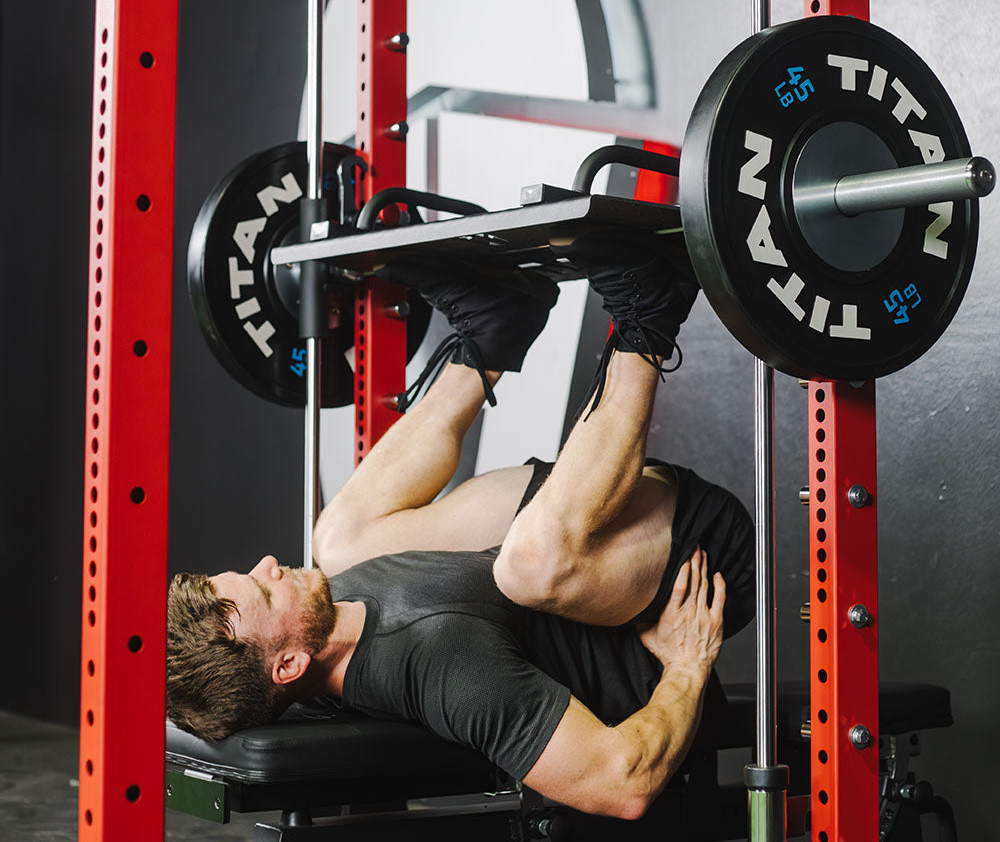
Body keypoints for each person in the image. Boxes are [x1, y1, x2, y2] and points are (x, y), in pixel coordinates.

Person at [166, 233, 755, 821]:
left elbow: (207, 691)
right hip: (687, 565)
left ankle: (496, 327)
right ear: (290, 666)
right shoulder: (446, 669)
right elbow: (621, 784)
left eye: (250, 573)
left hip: (591, 528)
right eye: (265, 590)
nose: (268, 565)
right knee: (527, 564)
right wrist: (687, 666)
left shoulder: (321, 626)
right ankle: (649, 316)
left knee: (338, 539)